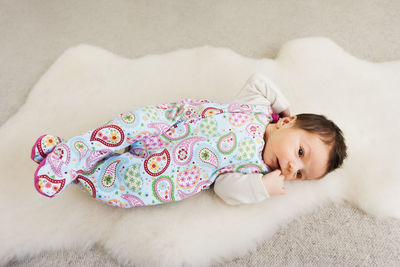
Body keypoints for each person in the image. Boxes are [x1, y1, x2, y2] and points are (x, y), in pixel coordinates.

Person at [31, 73, 347, 208]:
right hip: (169, 121)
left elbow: (225, 190)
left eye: (301, 173)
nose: (293, 166)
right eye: (301, 151)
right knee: (123, 128)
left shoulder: (255, 170)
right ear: (288, 123)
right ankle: (73, 153)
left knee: (129, 186)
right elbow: (259, 81)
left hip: (169, 170)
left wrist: (261, 189)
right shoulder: (258, 108)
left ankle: (78, 171)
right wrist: (282, 106)